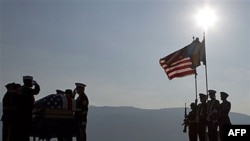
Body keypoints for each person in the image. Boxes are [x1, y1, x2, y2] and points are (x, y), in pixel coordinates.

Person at [17, 75, 40, 141]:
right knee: (26, 130)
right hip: (26, 113)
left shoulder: (21, 89)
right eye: (31, 82)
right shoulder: (27, 89)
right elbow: (36, 91)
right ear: (28, 82)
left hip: (21, 113)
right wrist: (36, 85)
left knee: (22, 131)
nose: (31, 84)